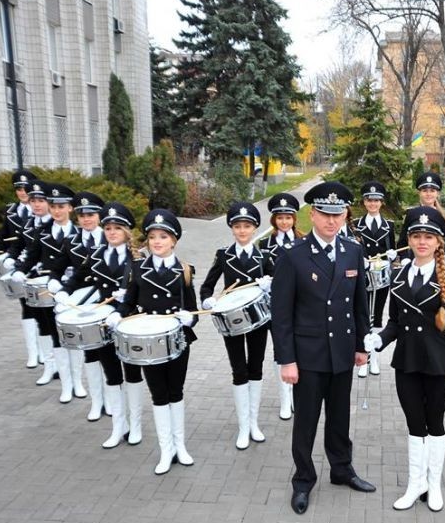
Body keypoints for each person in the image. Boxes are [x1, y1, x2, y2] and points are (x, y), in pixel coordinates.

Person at [270, 181, 375, 515]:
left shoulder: (352, 250)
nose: (332, 221)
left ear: (346, 214)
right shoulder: (293, 256)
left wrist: (361, 345)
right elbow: (281, 315)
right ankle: (303, 481)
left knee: (340, 418)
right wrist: (286, 360)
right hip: (309, 356)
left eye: (338, 214)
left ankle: (341, 470)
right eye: (325, 214)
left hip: (342, 352)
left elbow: (360, 304)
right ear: (312, 214)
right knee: (306, 422)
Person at [364, 206, 445, 512]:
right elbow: (395, 321)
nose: (422, 242)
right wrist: (379, 338)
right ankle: (415, 483)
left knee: (435, 423)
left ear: (438, 242)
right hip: (406, 363)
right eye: (417, 236)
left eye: (428, 237)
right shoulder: (399, 275)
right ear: (409, 239)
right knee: (413, 424)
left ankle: (433, 485)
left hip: (437, 365)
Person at [105, 209, 199, 475]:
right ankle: (165, 449)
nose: (157, 241)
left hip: (177, 340)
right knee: (158, 394)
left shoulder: (185, 270)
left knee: (176, 392)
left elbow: (193, 310)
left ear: (174, 241)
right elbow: (128, 302)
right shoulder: (137, 269)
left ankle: (180, 446)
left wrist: (189, 319)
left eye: (163, 236)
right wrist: (116, 314)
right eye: (153, 237)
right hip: (148, 341)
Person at [54, 201, 145, 448]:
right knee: (112, 374)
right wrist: (63, 291)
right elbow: (78, 277)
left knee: (133, 374)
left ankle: (135, 425)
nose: (112, 232)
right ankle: (119, 425)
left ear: (127, 231)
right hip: (102, 323)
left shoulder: (138, 258)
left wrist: (129, 299)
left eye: (117, 228)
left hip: (128, 322)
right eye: (107, 228)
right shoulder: (95, 255)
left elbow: (147, 292)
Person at [200, 201, 274, 450]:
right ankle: (243, 426)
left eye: (247, 226)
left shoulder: (264, 255)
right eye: (238, 226)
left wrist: (270, 283)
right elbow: (207, 285)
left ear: (254, 228)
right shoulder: (224, 255)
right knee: (238, 369)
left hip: (258, 320)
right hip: (230, 320)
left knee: (256, 367)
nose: (242, 231)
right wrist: (207, 299)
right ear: (232, 229)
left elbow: (279, 283)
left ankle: (254, 423)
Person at [11, 182, 78, 403]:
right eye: (53, 206)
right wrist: (20, 271)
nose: (57, 211)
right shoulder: (43, 231)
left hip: (72, 292)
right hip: (48, 289)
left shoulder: (78, 233)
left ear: (70, 208)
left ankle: (77, 382)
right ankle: (65, 384)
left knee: (71, 335)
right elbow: (31, 255)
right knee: (51, 333)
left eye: (62, 206)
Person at [48, 191, 108, 418]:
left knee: (107, 355)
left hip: (104, 301)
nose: (86, 219)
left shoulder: (109, 238)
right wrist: (58, 286)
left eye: (91, 214)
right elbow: (58, 268)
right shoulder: (71, 240)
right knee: (90, 353)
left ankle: (111, 401)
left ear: (100, 215)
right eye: (82, 215)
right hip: (81, 301)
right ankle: (96, 401)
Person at [0, 169, 40, 369]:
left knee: (43, 308)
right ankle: (33, 352)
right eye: (19, 188)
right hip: (20, 265)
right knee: (26, 306)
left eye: (26, 188)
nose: (22, 192)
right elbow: (4, 237)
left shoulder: (41, 210)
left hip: (40, 267)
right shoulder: (11, 211)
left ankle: (46, 351)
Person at [3, 179, 54, 379]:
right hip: (32, 279)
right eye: (33, 200)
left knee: (55, 324)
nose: (37, 204)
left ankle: (66, 371)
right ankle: (48, 364)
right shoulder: (28, 223)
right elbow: (19, 246)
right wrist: (12, 260)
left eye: (41, 200)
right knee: (39, 320)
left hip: (52, 281)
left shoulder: (56, 225)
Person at [262, 192, 303, 420]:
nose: (284, 222)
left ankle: (296, 395)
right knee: (281, 350)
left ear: (294, 219)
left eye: (288, 217)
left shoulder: (303, 241)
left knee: (299, 348)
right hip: (275, 306)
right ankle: (284, 400)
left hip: (299, 304)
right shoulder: (264, 245)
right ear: (274, 220)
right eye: (280, 217)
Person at [352, 181, 397, 377]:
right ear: (364, 202)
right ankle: (363, 359)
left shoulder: (389, 225)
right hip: (363, 276)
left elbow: (392, 250)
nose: (373, 204)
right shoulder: (356, 225)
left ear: (382, 203)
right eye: (369, 200)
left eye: (376, 200)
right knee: (363, 315)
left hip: (381, 277)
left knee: (377, 315)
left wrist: (392, 256)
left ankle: (374, 358)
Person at [396, 171, 445, 250]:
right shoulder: (411, 214)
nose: (428, 194)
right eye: (425, 191)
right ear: (419, 193)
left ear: (438, 193)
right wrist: (406, 259)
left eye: (432, 191)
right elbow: (402, 243)